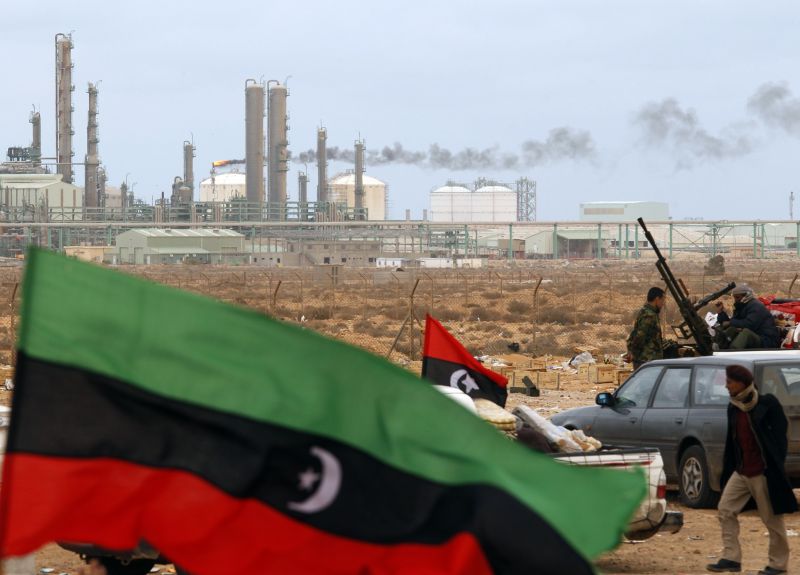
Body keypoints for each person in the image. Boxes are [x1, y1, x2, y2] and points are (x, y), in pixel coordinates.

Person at [706, 365, 797, 575]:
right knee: (725, 510)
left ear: (741, 382)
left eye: (730, 382)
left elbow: (780, 437)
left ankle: (778, 565)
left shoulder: (767, 404)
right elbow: (733, 441)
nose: (727, 386)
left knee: (772, 521)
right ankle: (731, 558)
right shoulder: (733, 407)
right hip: (741, 471)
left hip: (763, 473)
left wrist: (774, 467)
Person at [719, 284, 780, 349]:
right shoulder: (742, 305)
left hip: (766, 340)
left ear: (746, 296)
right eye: (734, 297)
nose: (735, 300)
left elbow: (749, 324)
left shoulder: (756, 306)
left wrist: (730, 322)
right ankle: (719, 347)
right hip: (756, 334)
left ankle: (732, 352)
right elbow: (733, 320)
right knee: (731, 329)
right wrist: (721, 312)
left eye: (737, 297)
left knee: (746, 333)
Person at [624, 286, 666, 369]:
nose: (663, 304)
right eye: (662, 300)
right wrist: (633, 353)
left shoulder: (646, 311)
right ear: (657, 299)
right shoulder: (649, 315)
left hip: (646, 361)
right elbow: (640, 336)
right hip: (647, 361)